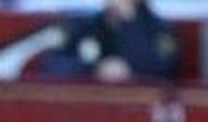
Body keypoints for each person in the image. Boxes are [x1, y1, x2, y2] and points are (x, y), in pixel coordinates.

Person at [42, 0, 181, 83]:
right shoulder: (88, 26)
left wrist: (130, 21)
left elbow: (162, 70)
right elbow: (54, 65)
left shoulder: (159, 30)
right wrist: (95, 69)